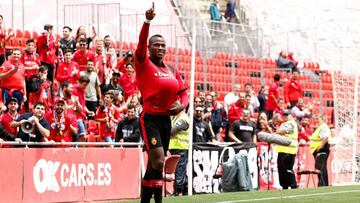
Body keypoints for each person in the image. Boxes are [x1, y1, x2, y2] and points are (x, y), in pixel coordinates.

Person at [135, 3, 189, 203]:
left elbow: (184, 93)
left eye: (163, 45)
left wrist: (182, 105)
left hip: (166, 121)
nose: (160, 48)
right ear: (149, 48)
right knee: (158, 162)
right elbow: (140, 43)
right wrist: (147, 21)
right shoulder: (143, 63)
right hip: (150, 119)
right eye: (156, 45)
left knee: (154, 166)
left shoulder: (171, 69)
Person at [275, 109, 298, 189]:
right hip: (285, 150)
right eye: (283, 115)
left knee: (286, 170)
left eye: (286, 115)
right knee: (283, 170)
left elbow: (281, 131)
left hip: (287, 150)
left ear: (291, 115)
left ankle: (292, 185)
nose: (284, 116)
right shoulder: (285, 123)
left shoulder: (290, 123)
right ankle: (286, 185)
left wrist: (277, 131)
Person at [169, 109, 190, 196]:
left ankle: (177, 191)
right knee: (180, 169)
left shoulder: (183, 118)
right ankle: (184, 188)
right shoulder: (175, 118)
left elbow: (172, 131)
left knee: (179, 169)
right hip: (176, 147)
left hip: (181, 147)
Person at [309, 114, 331, 186]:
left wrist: (320, 146)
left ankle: (323, 184)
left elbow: (325, 138)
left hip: (322, 149)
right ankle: (322, 183)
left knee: (321, 166)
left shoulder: (323, 127)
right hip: (320, 149)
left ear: (323, 119)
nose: (316, 120)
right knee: (320, 166)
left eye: (318, 119)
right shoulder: (320, 127)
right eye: (316, 119)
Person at [21, 38, 41, 111]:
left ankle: (36, 109)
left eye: (32, 45)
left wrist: (37, 67)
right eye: (29, 45)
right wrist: (31, 67)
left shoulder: (36, 55)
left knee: (36, 94)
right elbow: (21, 67)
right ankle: (26, 110)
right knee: (26, 96)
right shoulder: (23, 54)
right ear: (26, 46)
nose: (30, 46)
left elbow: (39, 67)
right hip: (25, 78)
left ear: (34, 46)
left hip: (34, 79)